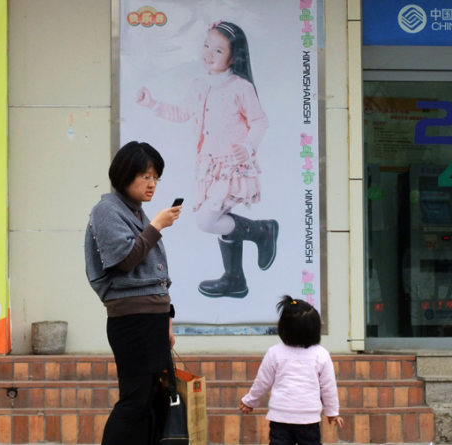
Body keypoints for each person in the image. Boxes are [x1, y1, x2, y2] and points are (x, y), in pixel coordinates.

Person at [136, 20, 278, 299]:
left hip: (232, 167)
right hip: (209, 168)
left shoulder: (240, 87)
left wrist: (248, 146)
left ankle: (262, 231)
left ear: (234, 58)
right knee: (216, 217)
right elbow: (182, 113)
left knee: (206, 220)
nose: (209, 54)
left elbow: (259, 121)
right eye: (206, 46)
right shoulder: (200, 85)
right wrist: (152, 103)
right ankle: (235, 278)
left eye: (218, 51)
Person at [84, 141, 182, 445]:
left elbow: (155, 276)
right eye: (145, 176)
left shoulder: (136, 212)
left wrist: (167, 318)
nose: (152, 184)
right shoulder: (107, 210)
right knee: (136, 399)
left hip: (151, 316)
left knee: (153, 399)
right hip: (132, 319)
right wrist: (157, 226)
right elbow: (124, 259)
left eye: (156, 177)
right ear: (124, 175)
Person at [239, 295, 344, 445]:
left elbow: (262, 382)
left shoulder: (275, 352)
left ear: (284, 328)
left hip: (280, 417)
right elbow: (328, 387)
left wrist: (250, 401)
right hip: (308, 419)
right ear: (315, 329)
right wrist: (332, 412)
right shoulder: (321, 354)